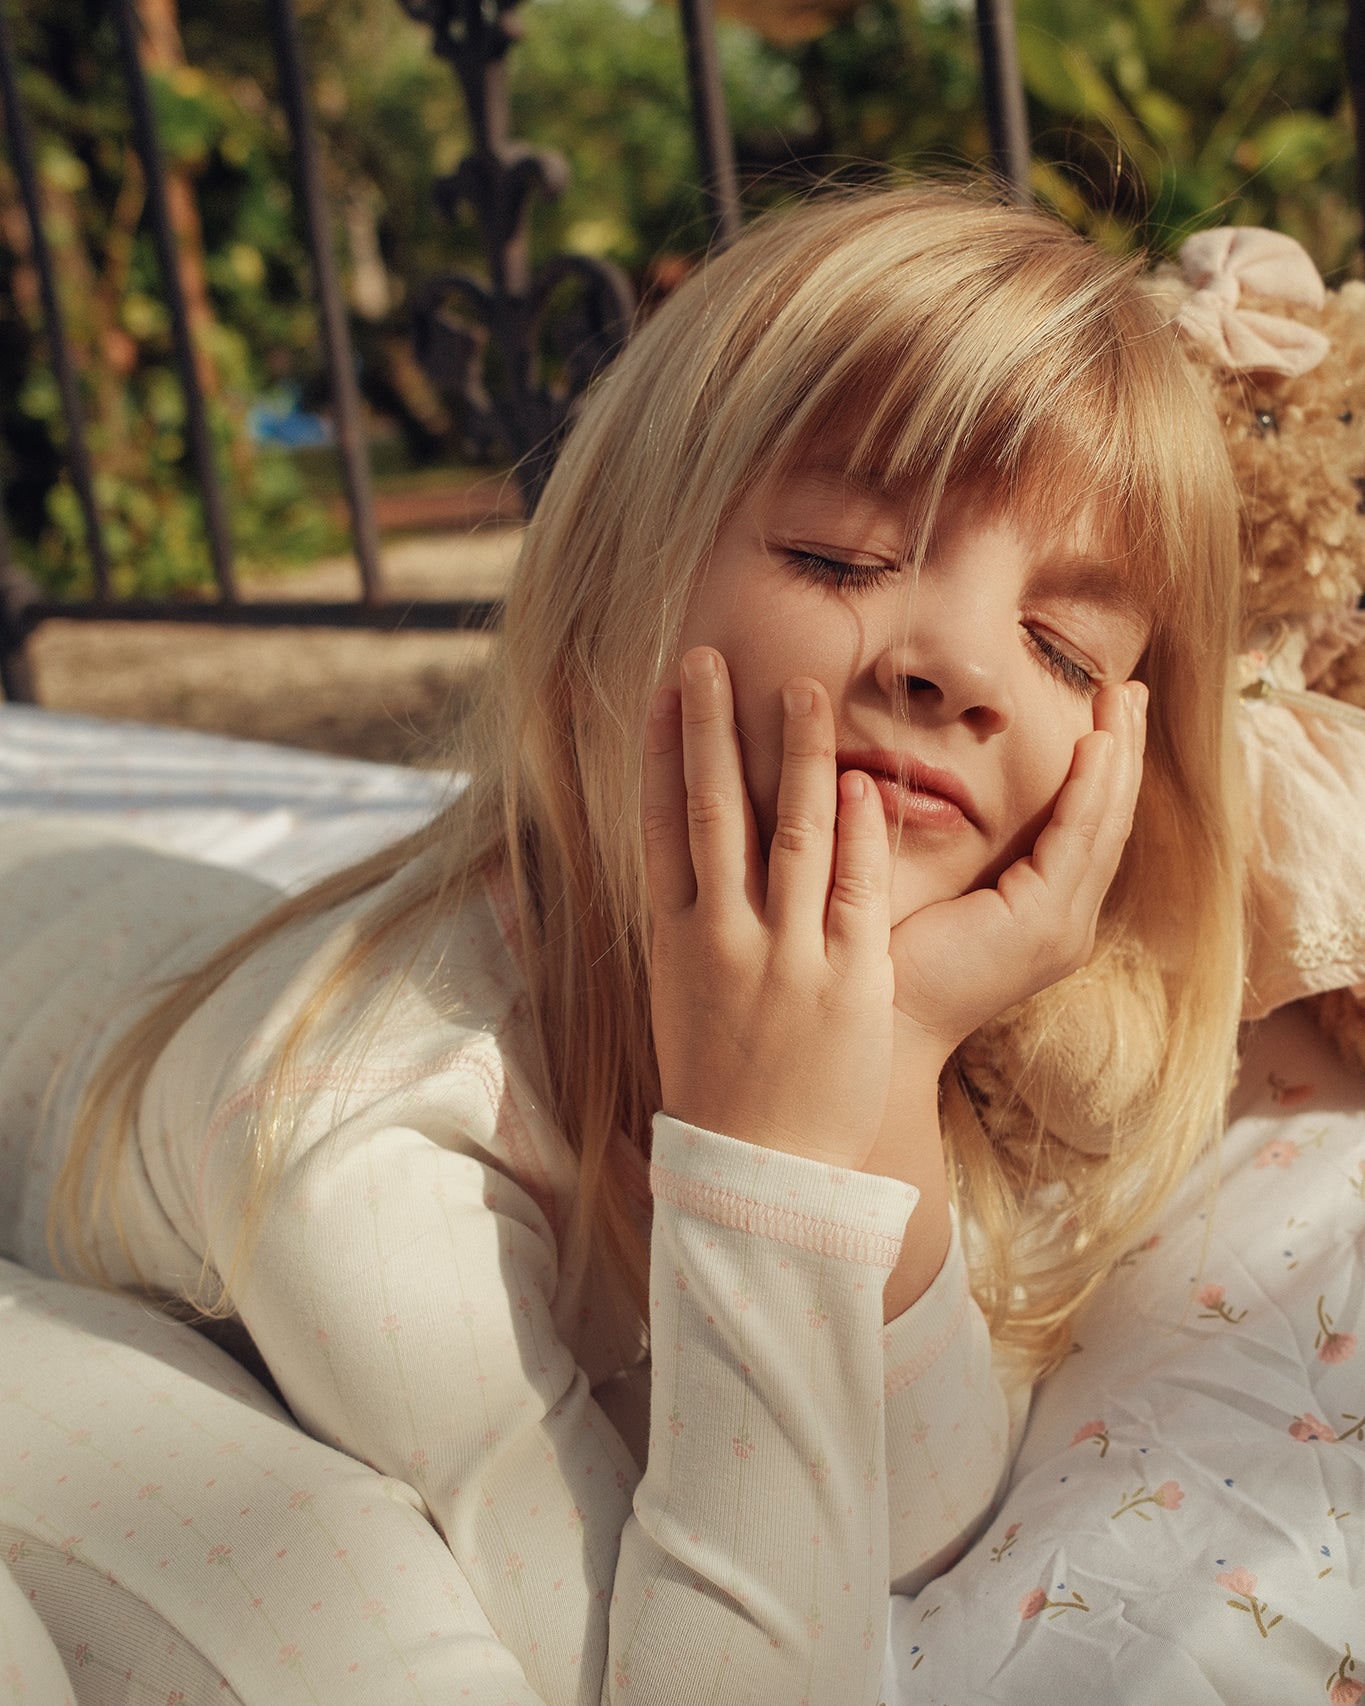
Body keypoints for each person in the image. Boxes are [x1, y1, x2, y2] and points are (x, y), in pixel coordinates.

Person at [0, 181, 1244, 1704]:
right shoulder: (366, 1124)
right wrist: (767, 1159)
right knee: (339, 1606)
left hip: (134, 939)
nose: (963, 667)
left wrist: (893, 1064)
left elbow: (910, 1527)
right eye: (847, 557)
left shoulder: (870, 1003)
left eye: (1062, 648)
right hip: (68, 969)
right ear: (609, 592)